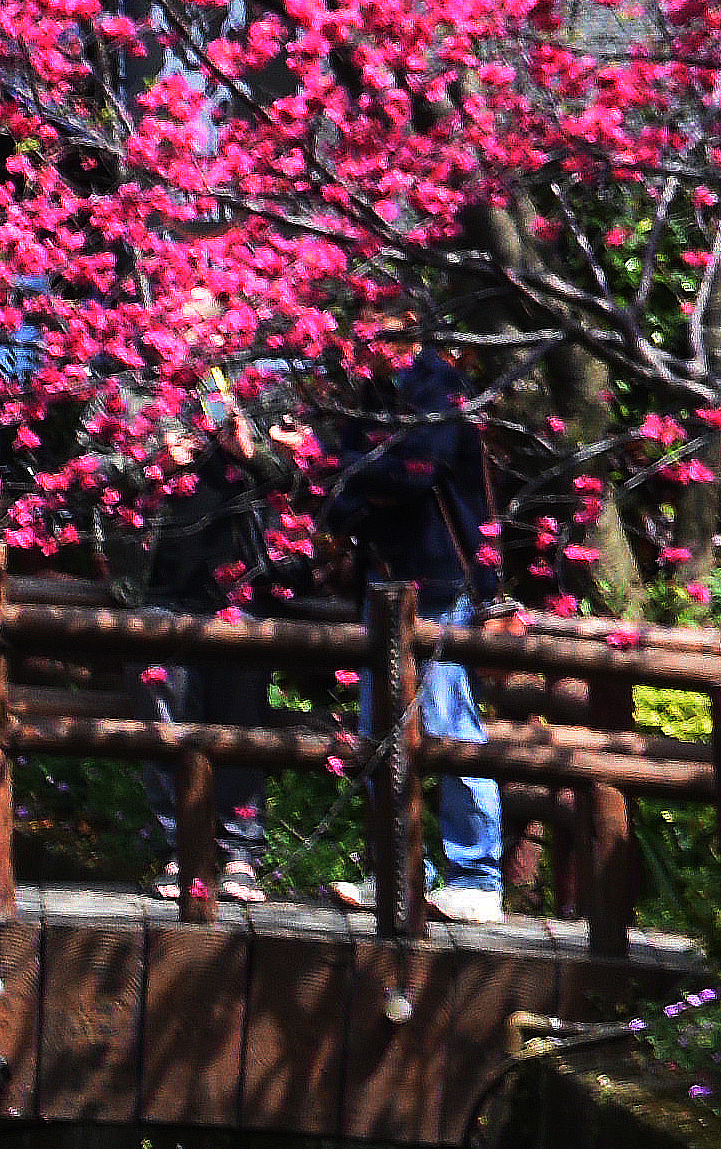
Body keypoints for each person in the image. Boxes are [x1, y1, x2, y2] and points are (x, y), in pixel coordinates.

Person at [317, 349, 507, 921]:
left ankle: (476, 878)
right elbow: (340, 490)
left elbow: (415, 473)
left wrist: (347, 466)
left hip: (443, 583)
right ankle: (398, 870)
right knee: (380, 731)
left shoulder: (441, 384)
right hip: (381, 585)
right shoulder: (366, 394)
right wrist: (356, 471)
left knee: (451, 728)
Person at [136, 395, 293, 894]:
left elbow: (300, 478)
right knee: (164, 725)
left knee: (240, 722)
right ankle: (178, 851)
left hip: (240, 589)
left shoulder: (257, 388)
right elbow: (90, 474)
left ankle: (239, 854)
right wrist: (151, 463)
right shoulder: (126, 390)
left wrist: (251, 455)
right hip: (161, 589)